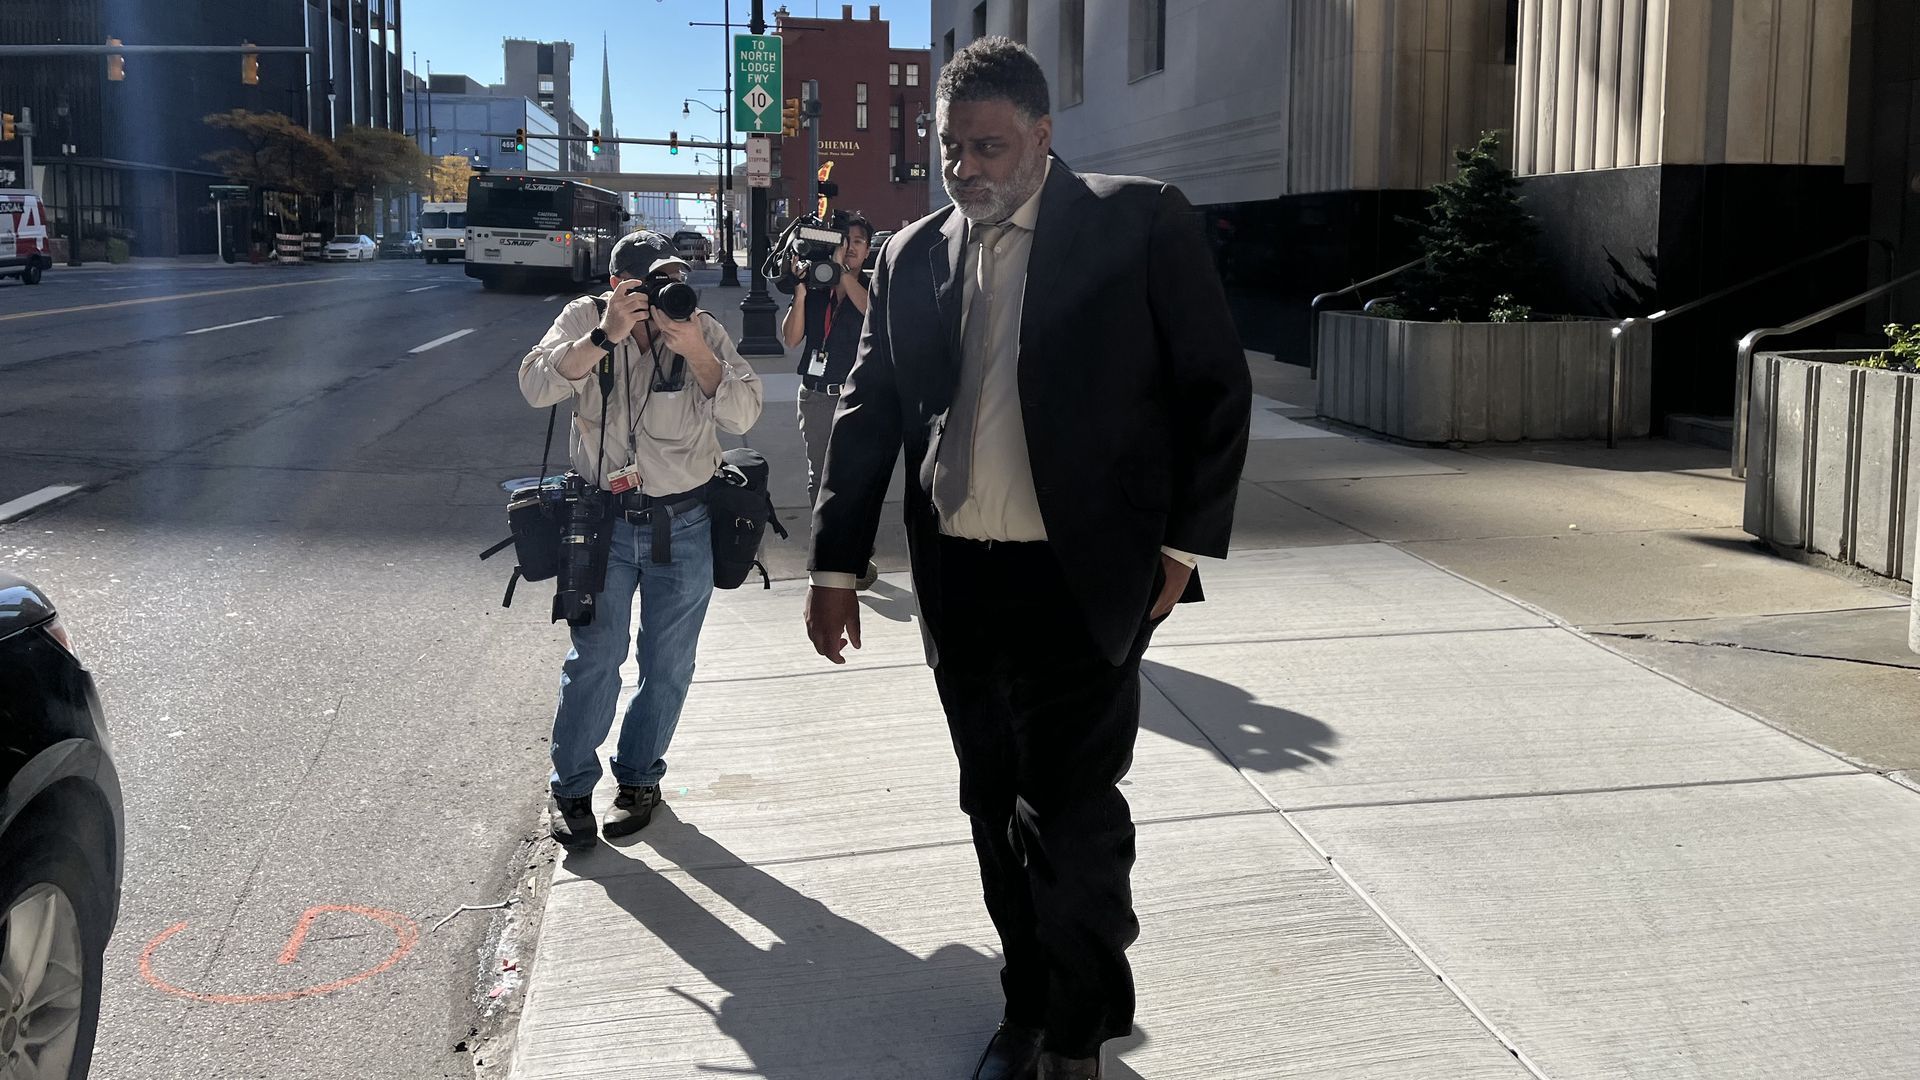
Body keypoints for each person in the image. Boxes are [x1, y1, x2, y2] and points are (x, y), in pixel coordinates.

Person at [802, 37, 1250, 1080]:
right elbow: (869, 415)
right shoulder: (915, 253)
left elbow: (1213, 392)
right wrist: (834, 568)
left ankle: (1079, 1035)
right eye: (953, 149)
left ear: (1044, 138)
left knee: (1076, 820)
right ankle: (1029, 1007)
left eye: (991, 146)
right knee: (992, 808)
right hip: (962, 584)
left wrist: (1181, 547)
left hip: (1084, 580)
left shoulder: (1139, 222)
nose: (969, 170)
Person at [519, 230, 764, 850]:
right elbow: (536, 386)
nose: (661, 294)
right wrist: (605, 335)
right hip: (601, 522)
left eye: (670, 279)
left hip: (683, 523)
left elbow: (743, 414)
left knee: (668, 664)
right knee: (596, 659)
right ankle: (571, 787)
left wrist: (698, 353)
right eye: (647, 284)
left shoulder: (699, 326)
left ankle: (639, 781)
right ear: (616, 285)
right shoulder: (585, 319)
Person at [781, 211, 879, 588]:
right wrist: (802, 291)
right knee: (820, 477)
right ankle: (828, 547)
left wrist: (844, 276)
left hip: (857, 398)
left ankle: (859, 551)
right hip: (817, 397)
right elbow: (791, 339)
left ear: (867, 250)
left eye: (857, 242)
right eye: (845, 241)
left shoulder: (872, 284)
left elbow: (872, 311)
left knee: (858, 475)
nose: (850, 248)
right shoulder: (818, 284)